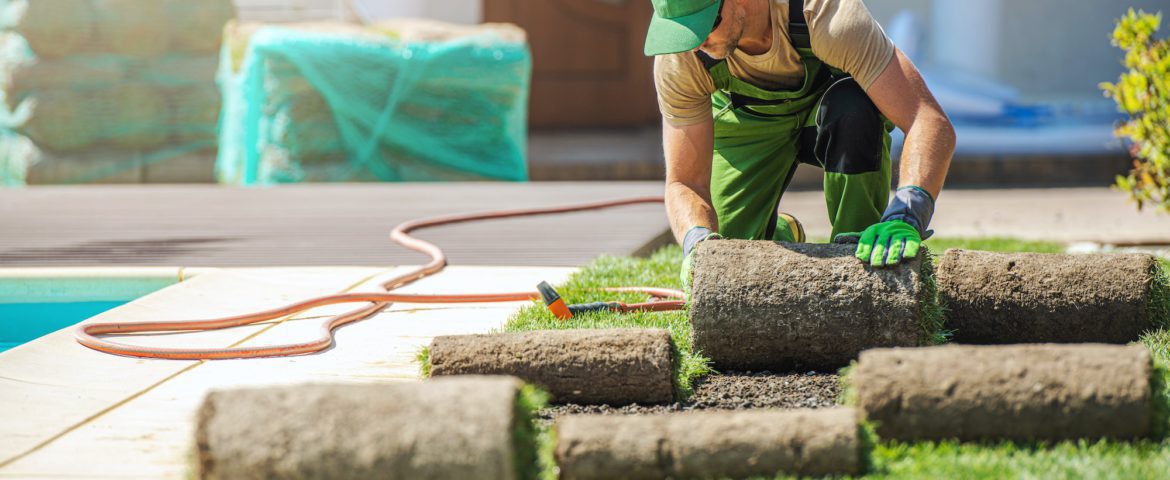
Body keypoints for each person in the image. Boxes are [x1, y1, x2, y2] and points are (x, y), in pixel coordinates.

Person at [645, 0, 955, 283]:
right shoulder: (681, 57)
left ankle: (859, 251)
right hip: (746, 122)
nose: (697, 43)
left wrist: (908, 212)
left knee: (853, 107)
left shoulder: (825, 15)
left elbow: (926, 120)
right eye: (684, 32)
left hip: (829, 110)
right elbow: (684, 182)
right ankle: (782, 230)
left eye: (704, 25)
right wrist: (696, 241)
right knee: (729, 260)